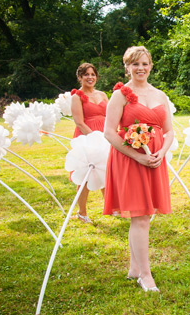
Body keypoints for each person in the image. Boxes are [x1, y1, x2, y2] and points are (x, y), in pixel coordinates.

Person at [103, 46, 174, 292]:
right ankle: (145, 275)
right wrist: (137, 157)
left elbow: (169, 131)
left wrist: (161, 153)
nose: (140, 68)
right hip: (129, 160)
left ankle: (135, 268)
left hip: (154, 159)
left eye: (144, 63)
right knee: (141, 216)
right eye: (135, 64)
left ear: (151, 65)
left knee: (143, 216)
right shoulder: (120, 95)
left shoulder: (160, 94)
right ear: (127, 67)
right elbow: (109, 132)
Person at [70, 62, 108, 223]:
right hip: (87, 136)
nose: (90, 77)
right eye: (86, 74)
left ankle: (110, 207)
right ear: (80, 77)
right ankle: (82, 212)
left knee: (106, 171)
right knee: (86, 174)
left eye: (92, 74)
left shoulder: (103, 95)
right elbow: (79, 122)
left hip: (105, 136)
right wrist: (95, 138)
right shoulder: (76, 97)